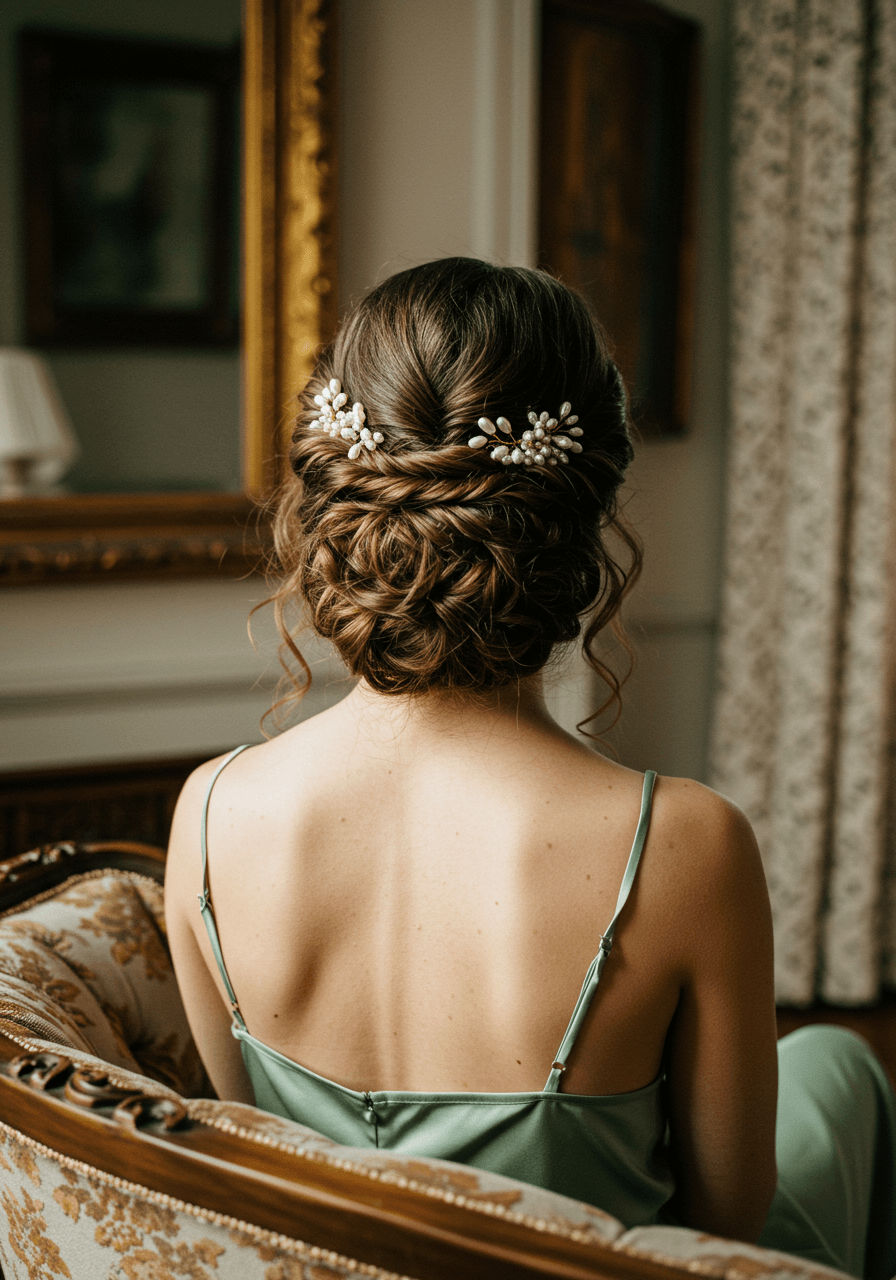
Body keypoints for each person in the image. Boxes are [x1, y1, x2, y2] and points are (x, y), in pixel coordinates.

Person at [166, 258, 896, 1278]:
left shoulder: (206, 813)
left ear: (335, 503)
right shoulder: (685, 840)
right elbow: (722, 1225)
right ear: (582, 519)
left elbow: (260, 1170)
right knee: (842, 1066)